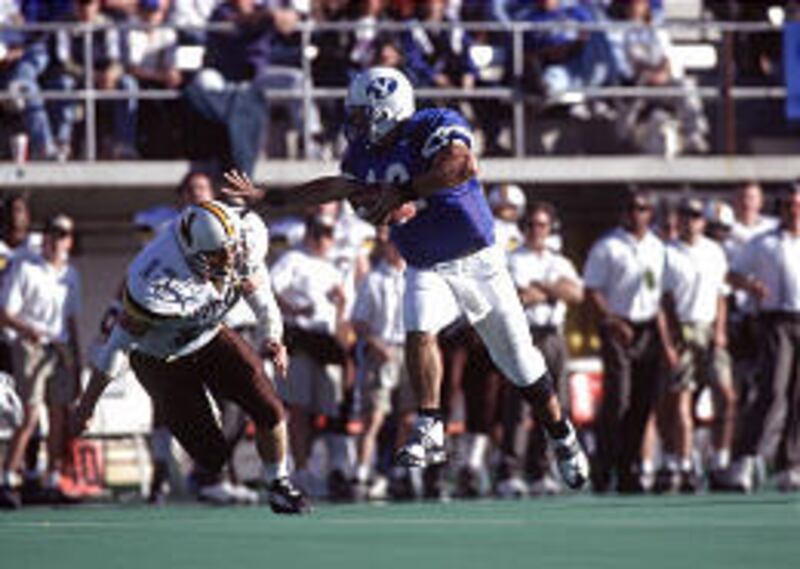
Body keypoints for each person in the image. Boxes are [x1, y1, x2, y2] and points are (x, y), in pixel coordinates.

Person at [223, 65, 589, 490]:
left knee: (521, 366)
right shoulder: (361, 156)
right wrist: (274, 198)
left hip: (480, 262)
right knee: (417, 326)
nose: (355, 123)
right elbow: (337, 188)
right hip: (426, 264)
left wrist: (404, 191)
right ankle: (430, 423)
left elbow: (461, 166)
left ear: (387, 110)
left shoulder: (435, 124)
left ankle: (562, 436)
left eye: (363, 113)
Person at [69, 200, 310, 514]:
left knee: (268, 406)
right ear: (191, 251)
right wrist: (86, 406)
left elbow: (264, 302)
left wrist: (273, 337)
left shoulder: (245, 238)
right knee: (212, 455)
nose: (229, 260)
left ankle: (279, 485)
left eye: (231, 249)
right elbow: (117, 348)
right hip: (159, 359)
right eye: (217, 254)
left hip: (210, 334)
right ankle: (193, 470)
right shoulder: (153, 278)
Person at [582, 188, 668, 493]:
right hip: (617, 325)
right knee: (618, 398)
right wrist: (613, 320)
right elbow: (592, 289)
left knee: (643, 401)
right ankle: (603, 465)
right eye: (632, 208)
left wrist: (668, 343)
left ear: (651, 213)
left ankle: (629, 466)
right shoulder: (608, 246)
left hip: (647, 327)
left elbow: (659, 296)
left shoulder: (658, 247)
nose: (637, 213)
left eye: (643, 208)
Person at [500, 201, 584, 496]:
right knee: (519, 407)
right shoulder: (512, 259)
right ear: (523, 228)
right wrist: (553, 289)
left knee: (555, 405)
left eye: (543, 225)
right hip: (524, 334)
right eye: (533, 225)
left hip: (553, 336)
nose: (537, 231)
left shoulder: (558, 261)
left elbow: (576, 292)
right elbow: (518, 296)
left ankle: (542, 469)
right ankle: (511, 471)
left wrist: (543, 288)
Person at [0, 215, 81, 509]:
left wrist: (76, 359)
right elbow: (5, 313)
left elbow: (71, 321)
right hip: (30, 347)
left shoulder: (71, 275)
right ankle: (7, 478)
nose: (55, 238)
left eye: (62, 233)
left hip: (60, 350)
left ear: (69, 240)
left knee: (59, 415)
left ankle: (52, 479)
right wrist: (28, 331)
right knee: (30, 415)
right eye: (50, 232)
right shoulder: (25, 269)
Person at [270, 213, 353, 500]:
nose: (323, 239)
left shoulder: (333, 268)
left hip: (327, 343)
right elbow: (270, 290)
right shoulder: (292, 259)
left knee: (331, 408)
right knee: (300, 408)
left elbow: (340, 315)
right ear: (308, 233)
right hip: (300, 340)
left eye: (328, 233)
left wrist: (341, 306)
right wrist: (292, 310)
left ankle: (335, 470)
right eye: (318, 233)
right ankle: (302, 470)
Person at [657, 197, 737, 493]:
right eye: (685, 215)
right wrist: (669, 342)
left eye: (695, 216)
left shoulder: (714, 252)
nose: (691, 221)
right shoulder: (667, 253)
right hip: (683, 329)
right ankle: (686, 463)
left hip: (710, 328)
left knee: (726, 395)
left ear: (703, 221)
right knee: (682, 400)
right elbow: (663, 302)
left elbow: (721, 295)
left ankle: (721, 459)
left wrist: (720, 331)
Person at [728, 184, 800, 493]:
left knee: (798, 397)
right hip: (775, 320)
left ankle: (790, 464)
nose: (793, 212)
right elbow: (732, 274)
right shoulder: (763, 242)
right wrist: (751, 286)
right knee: (772, 389)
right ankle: (744, 459)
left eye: (798, 206)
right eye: (788, 206)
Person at [350, 225, 415, 500]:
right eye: (391, 244)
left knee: (408, 417)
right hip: (381, 353)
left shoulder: (417, 276)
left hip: (411, 352)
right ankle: (361, 472)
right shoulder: (373, 279)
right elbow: (358, 321)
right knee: (374, 416)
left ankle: (399, 471)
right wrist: (376, 344)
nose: (396, 248)